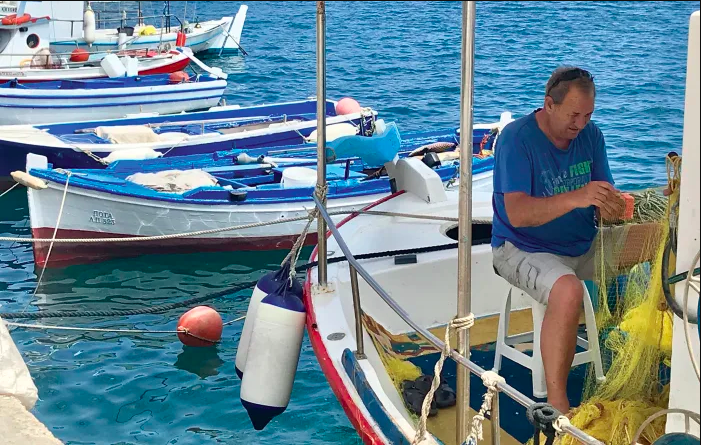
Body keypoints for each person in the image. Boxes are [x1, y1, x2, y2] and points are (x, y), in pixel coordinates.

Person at [491, 66, 625, 414]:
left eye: (588, 115)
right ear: (549, 105)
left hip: (583, 243)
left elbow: (601, 199)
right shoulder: (516, 139)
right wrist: (579, 196)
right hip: (520, 247)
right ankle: (557, 406)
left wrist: (612, 205)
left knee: (659, 242)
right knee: (568, 291)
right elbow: (518, 213)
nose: (580, 124)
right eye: (573, 115)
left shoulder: (592, 136)